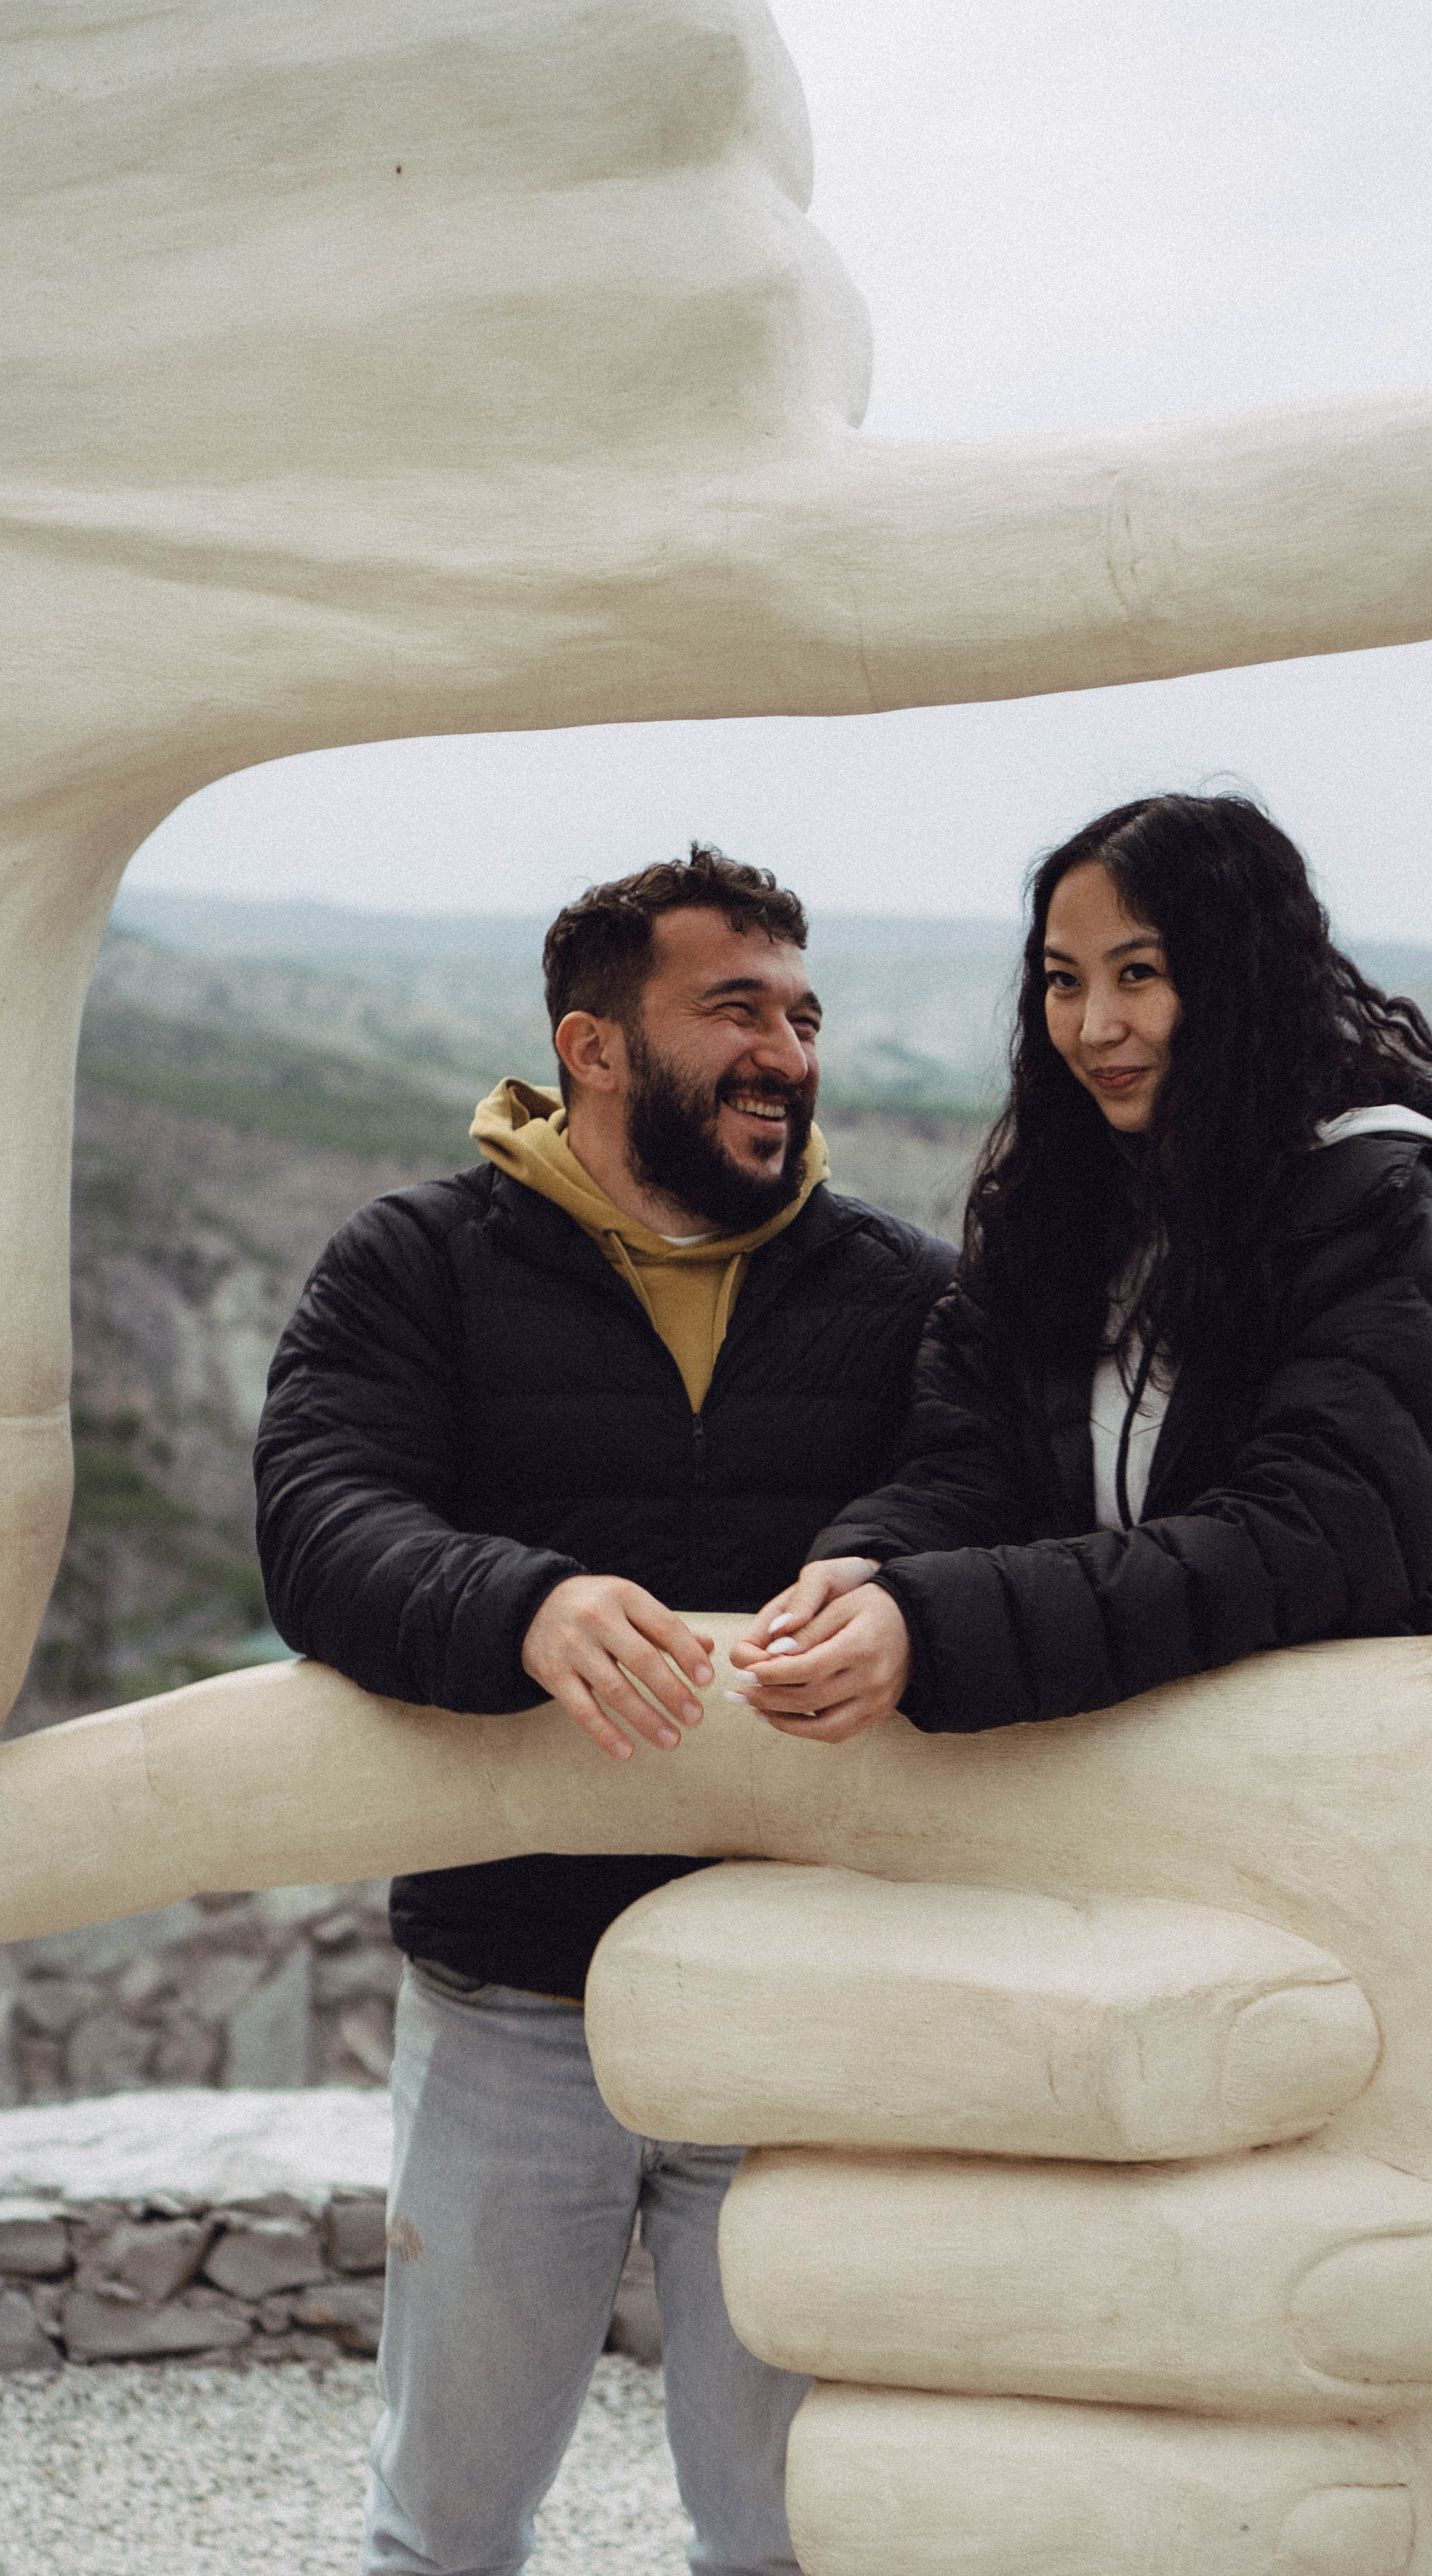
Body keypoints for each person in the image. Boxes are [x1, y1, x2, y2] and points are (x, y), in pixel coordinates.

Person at [253, 845, 954, 2576]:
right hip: (507, 1995)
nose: (784, 1050)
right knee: (449, 2529)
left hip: (805, 1998)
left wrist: (889, 1573)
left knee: (795, 2539)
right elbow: (319, 1519)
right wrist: (524, 1600)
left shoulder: (901, 1288)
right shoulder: (412, 1264)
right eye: (733, 1010)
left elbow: (975, 1487)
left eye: (800, 1013)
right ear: (592, 1046)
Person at [729, 794, 1432, 1741]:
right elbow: (970, 1460)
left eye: (1137, 973)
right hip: (1100, 1760)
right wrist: (875, 1560)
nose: (1095, 1026)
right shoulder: (1061, 1205)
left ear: (1239, 977)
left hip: (1312, 1764)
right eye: (1064, 982)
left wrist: (936, 1624)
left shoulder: (1367, 1205)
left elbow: (1316, 1539)